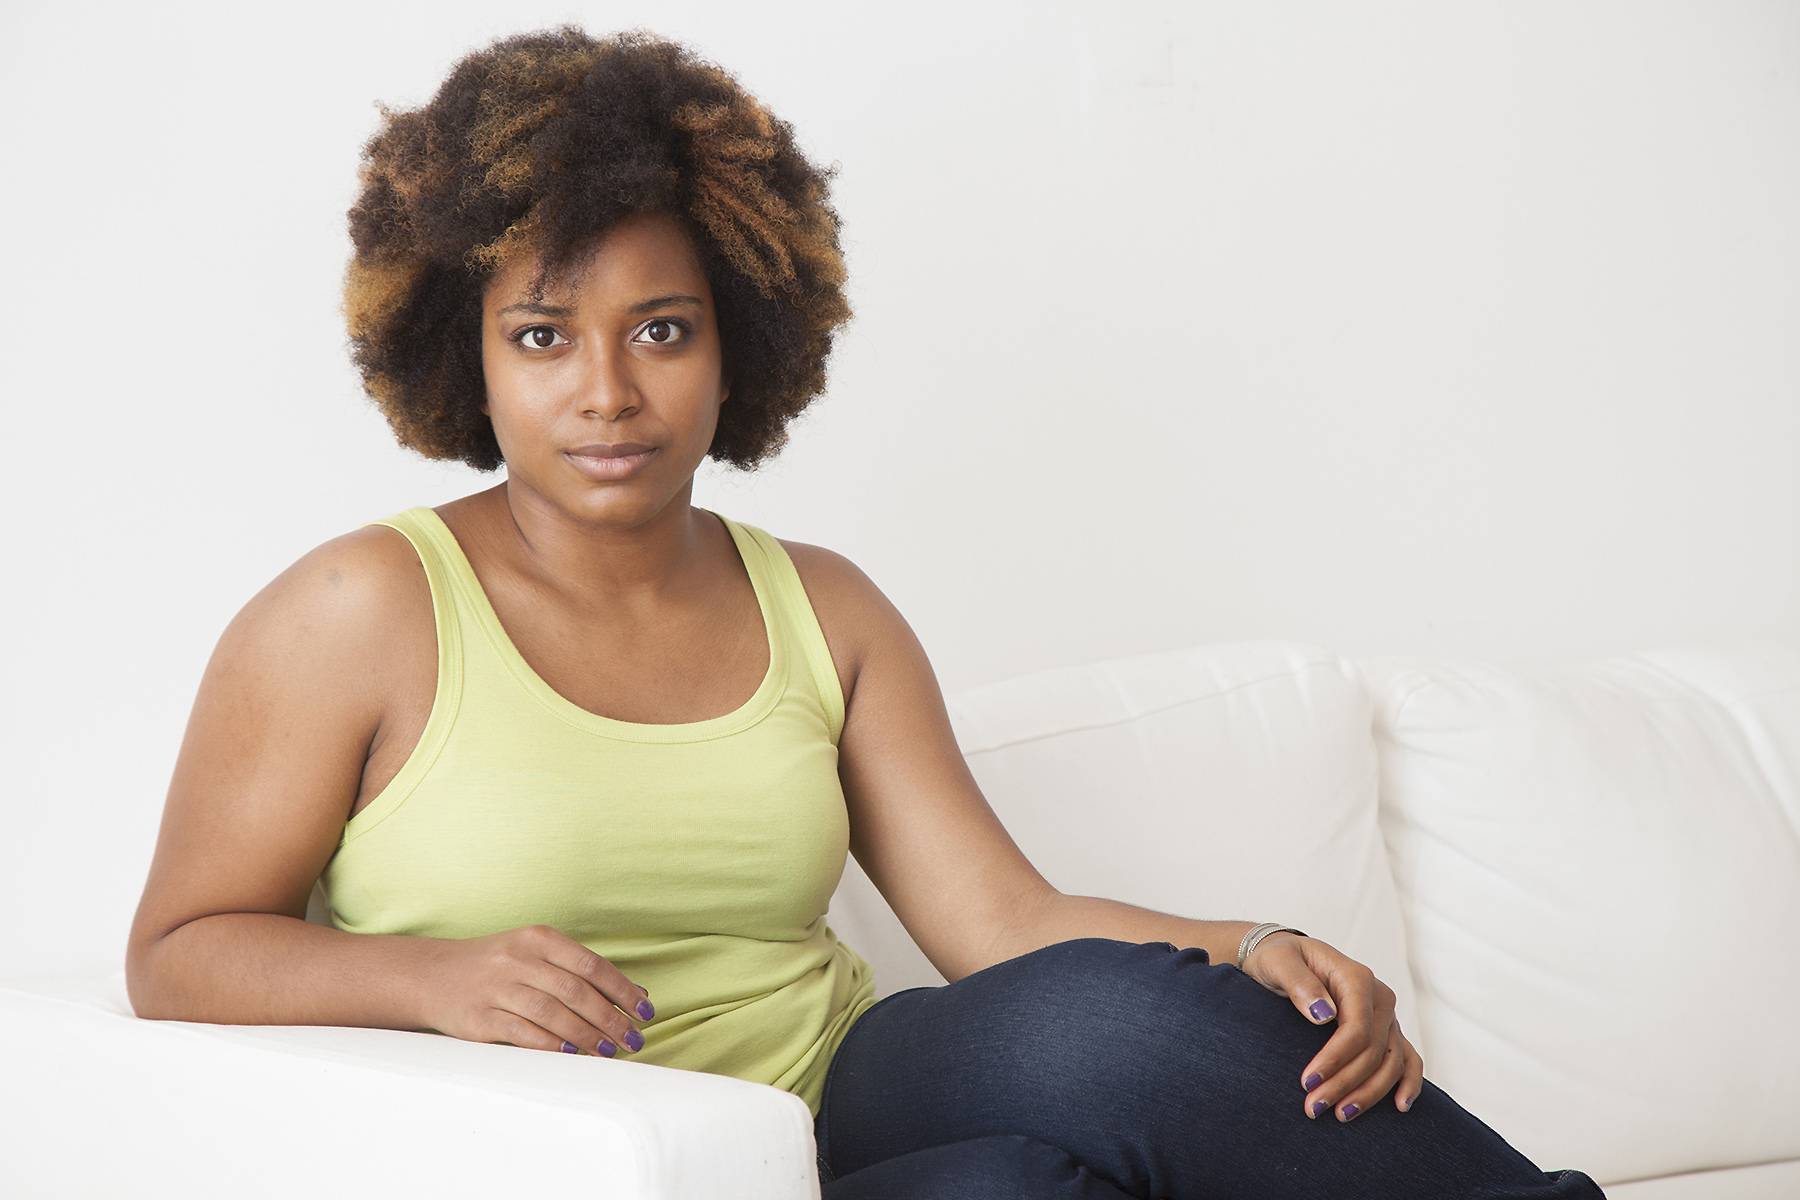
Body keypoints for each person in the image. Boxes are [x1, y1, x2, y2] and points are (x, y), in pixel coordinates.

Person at [124, 24, 1608, 1199]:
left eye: (662, 330)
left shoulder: (819, 605)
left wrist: (1253, 945)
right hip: (592, 1156)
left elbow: (1006, 925)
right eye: (542, 337)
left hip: (846, 1099)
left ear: (738, 343)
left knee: (1132, 1024)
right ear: (468, 357)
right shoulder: (359, 607)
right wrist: (427, 980)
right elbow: (180, 947)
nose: (607, 393)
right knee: (1027, 1188)